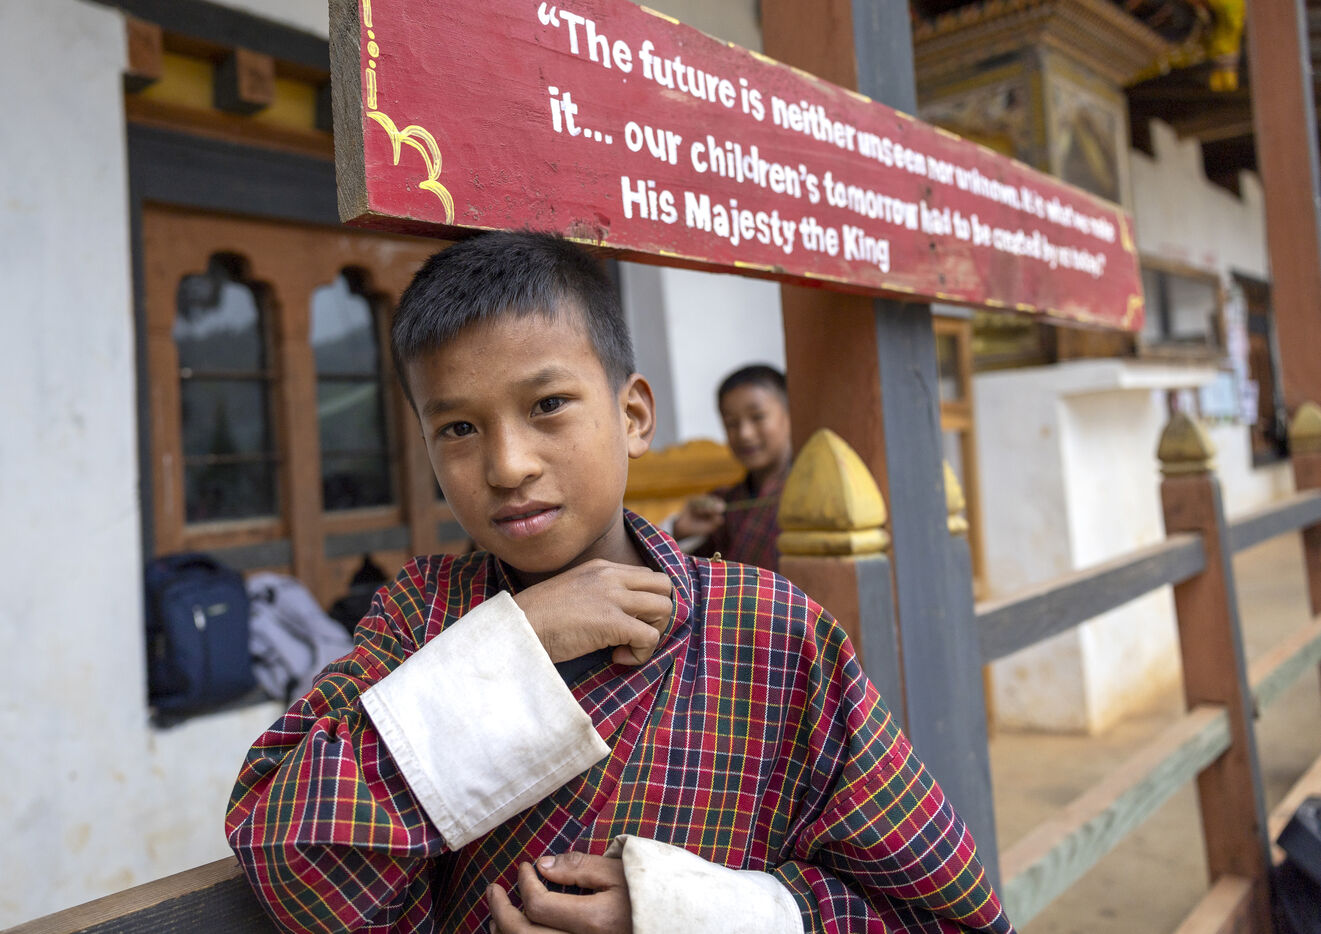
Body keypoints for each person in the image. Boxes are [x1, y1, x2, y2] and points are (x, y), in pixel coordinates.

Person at [225, 232, 1013, 934]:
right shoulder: (420, 616)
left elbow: (942, 916)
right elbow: (285, 853)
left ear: (633, 415)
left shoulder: (769, 630)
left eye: (548, 405)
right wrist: (520, 645)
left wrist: (691, 913)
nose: (508, 465)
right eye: (458, 428)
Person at [672, 365, 792, 572]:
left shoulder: (808, 495)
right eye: (731, 423)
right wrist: (679, 532)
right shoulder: (724, 505)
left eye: (758, 417)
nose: (744, 433)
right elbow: (694, 575)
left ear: (790, 414)